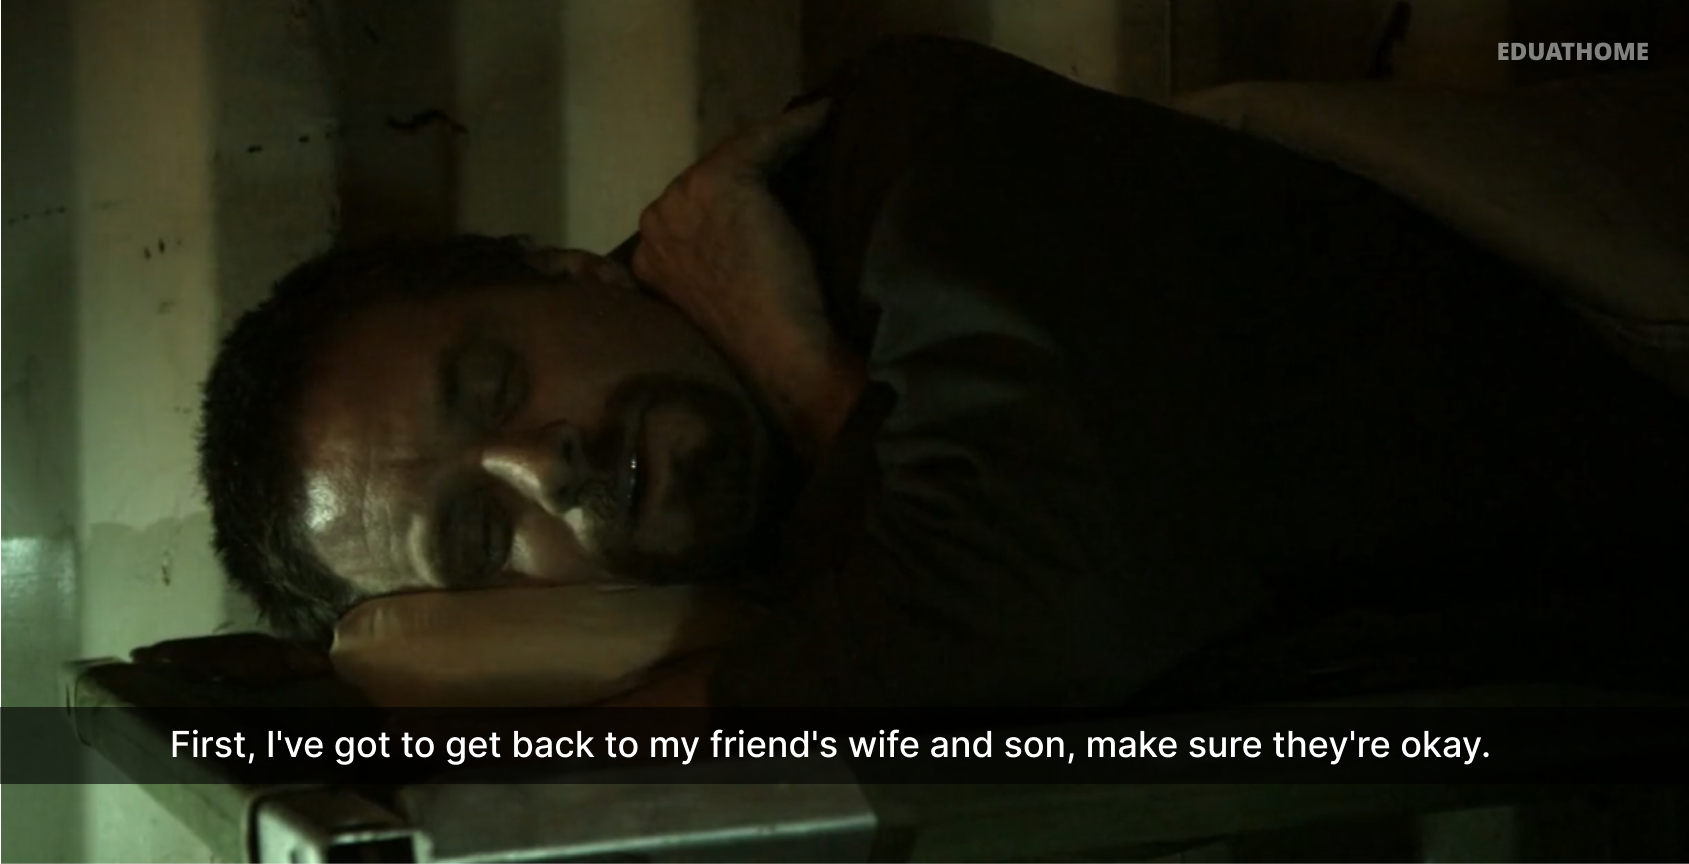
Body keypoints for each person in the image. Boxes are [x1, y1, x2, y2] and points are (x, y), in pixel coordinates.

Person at [192, 37, 1689, 707]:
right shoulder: (799, 601)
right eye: (478, 533)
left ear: (569, 270)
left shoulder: (905, 166)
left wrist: (796, 372)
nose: (543, 463)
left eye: (488, 383)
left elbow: (1067, 594)